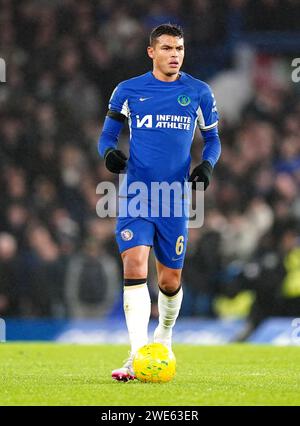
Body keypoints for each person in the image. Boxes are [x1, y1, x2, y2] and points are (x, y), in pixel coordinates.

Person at [98, 24, 221, 381]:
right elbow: (107, 135)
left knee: (169, 281)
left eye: (179, 48)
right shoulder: (129, 90)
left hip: (174, 199)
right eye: (167, 48)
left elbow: (213, 140)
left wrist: (207, 166)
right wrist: (109, 153)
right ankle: (136, 356)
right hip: (137, 194)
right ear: (151, 51)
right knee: (135, 264)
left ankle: (163, 338)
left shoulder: (198, 92)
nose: (175, 54)